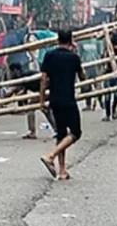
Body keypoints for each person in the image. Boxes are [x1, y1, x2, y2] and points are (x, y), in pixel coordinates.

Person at [38, 29, 84, 180]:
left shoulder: (49, 55)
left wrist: (42, 100)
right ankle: (50, 156)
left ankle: (62, 170)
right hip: (68, 99)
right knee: (76, 132)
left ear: (58, 40)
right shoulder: (73, 58)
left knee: (61, 134)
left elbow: (44, 79)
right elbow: (82, 77)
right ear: (71, 41)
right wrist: (76, 53)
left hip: (54, 100)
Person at [8, 62, 55, 139]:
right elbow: (20, 91)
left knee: (31, 107)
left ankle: (32, 132)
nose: (10, 74)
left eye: (11, 72)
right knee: (46, 110)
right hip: (46, 91)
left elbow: (14, 91)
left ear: (15, 70)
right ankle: (57, 130)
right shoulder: (24, 76)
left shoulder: (25, 76)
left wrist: (3, 98)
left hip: (46, 90)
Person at [101, 34, 117, 122]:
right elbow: (103, 59)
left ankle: (113, 110)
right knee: (108, 95)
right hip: (108, 73)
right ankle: (108, 114)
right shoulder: (107, 49)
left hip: (116, 73)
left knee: (116, 94)